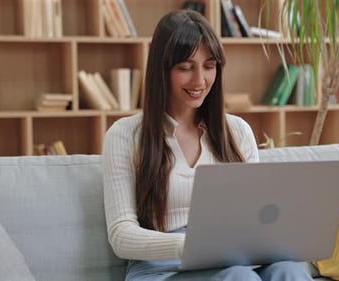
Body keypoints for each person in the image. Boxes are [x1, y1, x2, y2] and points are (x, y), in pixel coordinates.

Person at [102, 9, 314, 281]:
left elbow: (254, 219)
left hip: (230, 260)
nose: (200, 81)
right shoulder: (125, 135)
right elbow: (121, 235)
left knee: (290, 271)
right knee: (240, 279)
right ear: (161, 70)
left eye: (209, 66)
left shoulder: (237, 131)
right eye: (186, 67)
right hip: (160, 269)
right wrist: (195, 246)